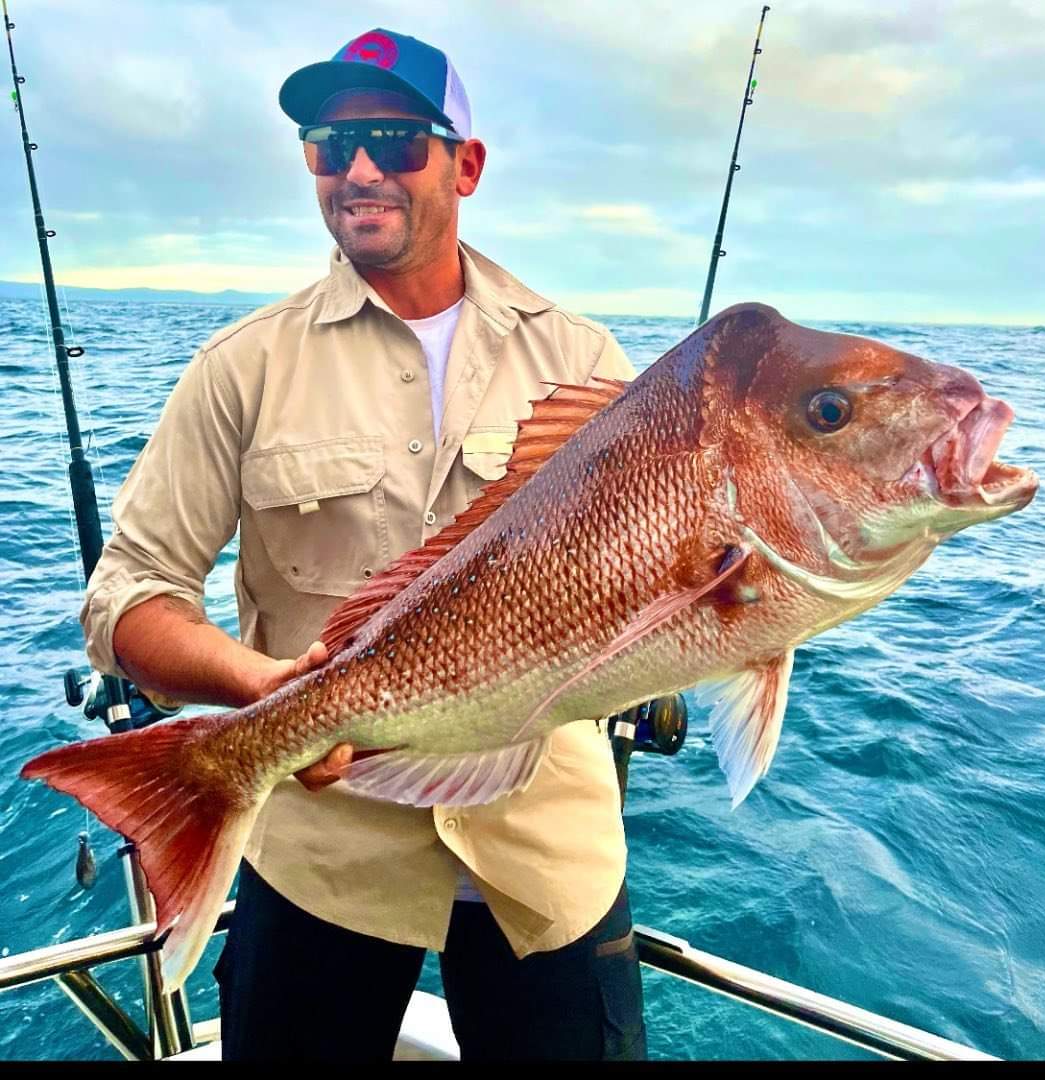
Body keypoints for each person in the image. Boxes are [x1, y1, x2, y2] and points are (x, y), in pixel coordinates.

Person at [81, 28, 646, 1062]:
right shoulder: (241, 365)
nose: (360, 171)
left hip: (544, 856)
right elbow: (128, 596)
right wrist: (265, 691)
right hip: (322, 859)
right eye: (330, 146)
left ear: (466, 166)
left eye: (395, 140)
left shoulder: (584, 360)